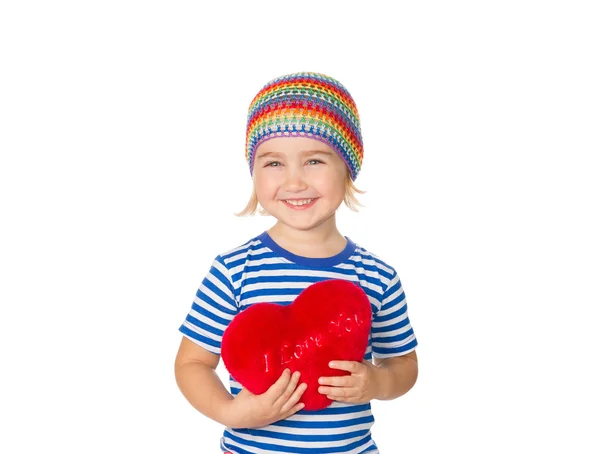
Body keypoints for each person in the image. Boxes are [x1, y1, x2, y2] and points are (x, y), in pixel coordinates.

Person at [174, 72, 419, 453]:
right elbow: (191, 364)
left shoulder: (377, 276)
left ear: (348, 168)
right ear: (253, 171)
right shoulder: (234, 271)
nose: (293, 182)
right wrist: (232, 412)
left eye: (314, 160)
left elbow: (403, 364)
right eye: (273, 163)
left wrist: (377, 382)